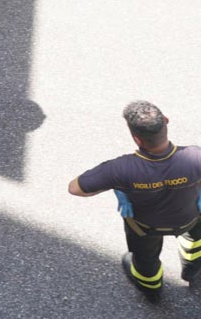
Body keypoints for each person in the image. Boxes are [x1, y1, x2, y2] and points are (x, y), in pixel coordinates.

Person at [69, 101, 201, 297]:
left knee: (145, 259)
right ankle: (192, 270)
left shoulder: (119, 168)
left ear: (137, 139)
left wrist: (119, 188)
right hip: (190, 218)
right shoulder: (195, 156)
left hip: (145, 226)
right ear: (166, 121)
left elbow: (75, 188)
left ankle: (151, 288)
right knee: (195, 241)